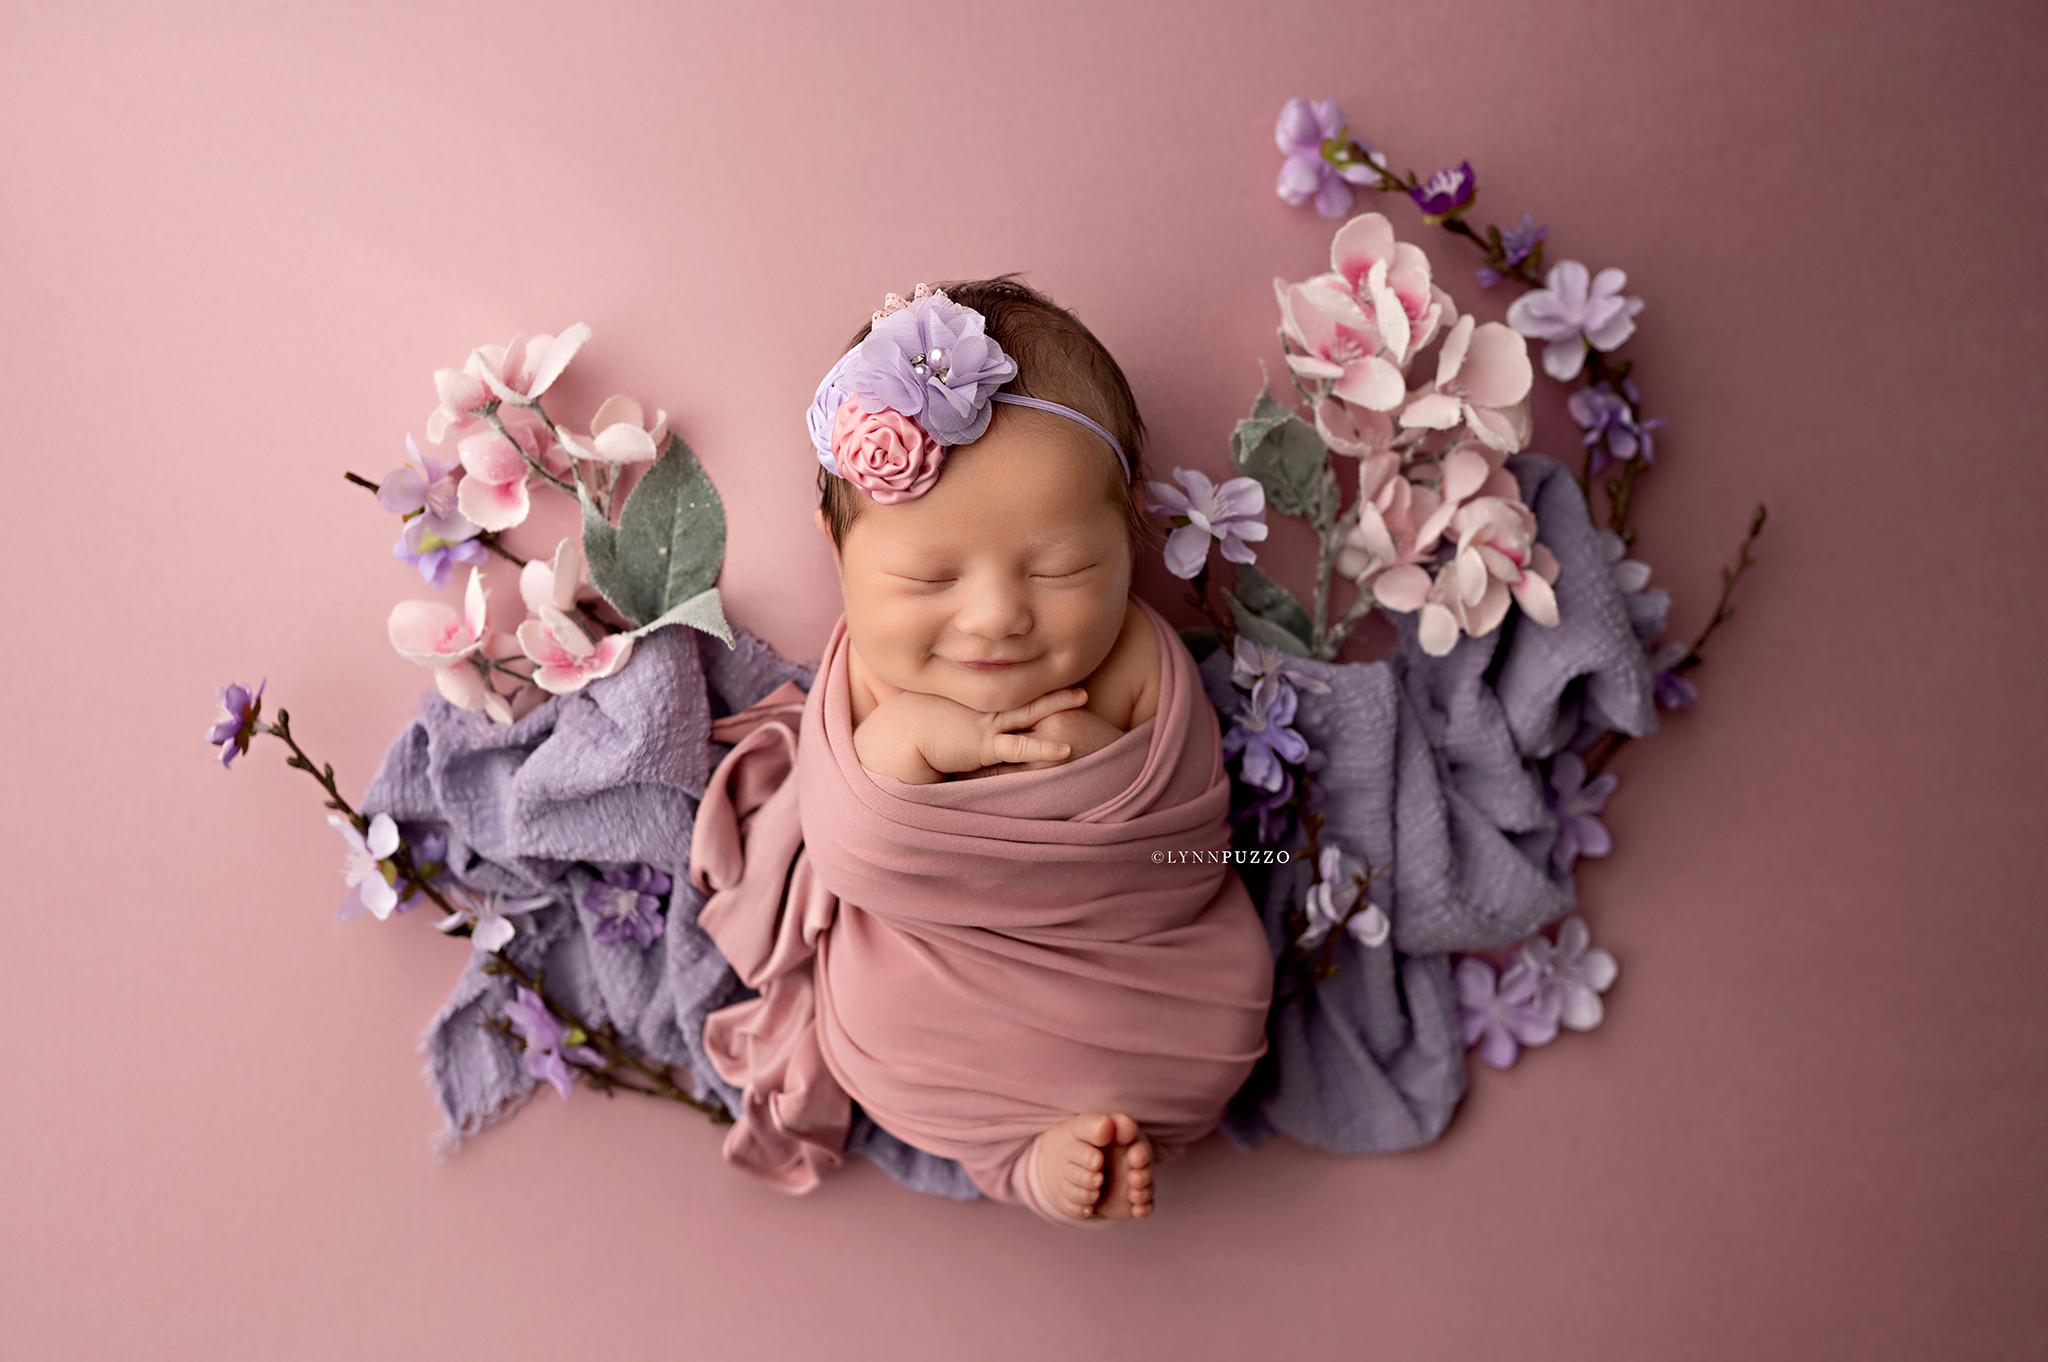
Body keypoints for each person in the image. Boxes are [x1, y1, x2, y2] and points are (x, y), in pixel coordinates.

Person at [690, 280, 1271, 1223]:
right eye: (928, 576)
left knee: (1233, 977)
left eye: (1059, 569)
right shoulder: (873, 680)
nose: (997, 615)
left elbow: (1187, 843)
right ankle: (1018, 1163)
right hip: (931, 995)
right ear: (836, 550)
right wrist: (913, 739)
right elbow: (847, 845)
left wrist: (1082, 758)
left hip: (1149, 977)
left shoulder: (1137, 661)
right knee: (882, 1013)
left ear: (1128, 539)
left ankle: (1084, 1141)